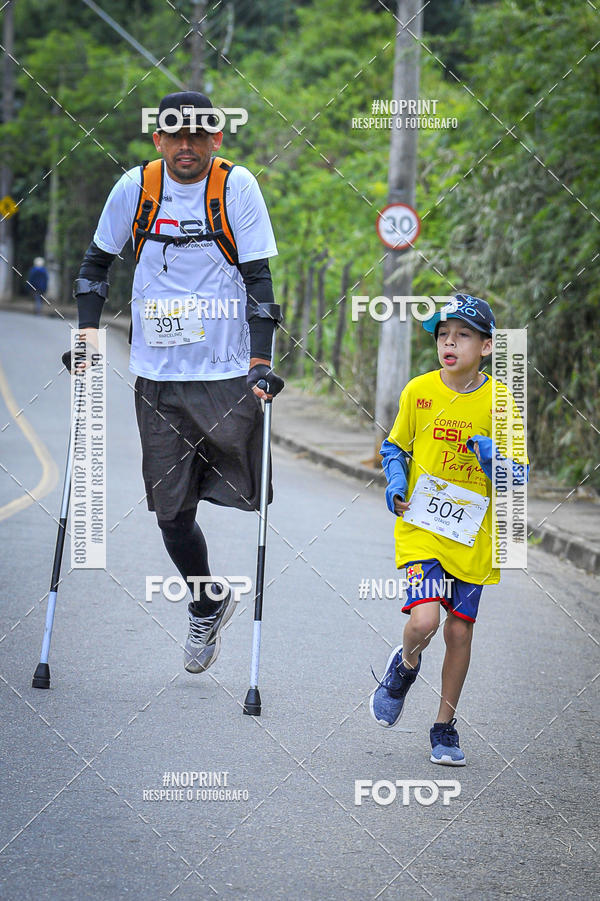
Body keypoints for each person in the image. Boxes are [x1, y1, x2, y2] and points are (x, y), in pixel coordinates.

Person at [73, 91, 283, 674]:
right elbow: (95, 266)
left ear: (217, 139)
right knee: (170, 512)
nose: (186, 145)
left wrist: (261, 363)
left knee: (244, 487)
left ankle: (212, 595)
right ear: (158, 139)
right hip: (158, 378)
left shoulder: (235, 187)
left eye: (198, 135)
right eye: (175, 135)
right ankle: (206, 598)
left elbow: (260, 279)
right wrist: (88, 337)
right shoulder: (135, 188)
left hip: (226, 375)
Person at [370, 294, 528, 765]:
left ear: (487, 346)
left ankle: (444, 726)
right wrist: (396, 480)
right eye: (443, 335)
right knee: (424, 621)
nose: (449, 343)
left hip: (473, 536)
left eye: (462, 335)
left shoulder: (501, 400)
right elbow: (394, 446)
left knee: (459, 633)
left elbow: (518, 475)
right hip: (423, 526)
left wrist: (492, 461)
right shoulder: (419, 391)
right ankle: (405, 665)